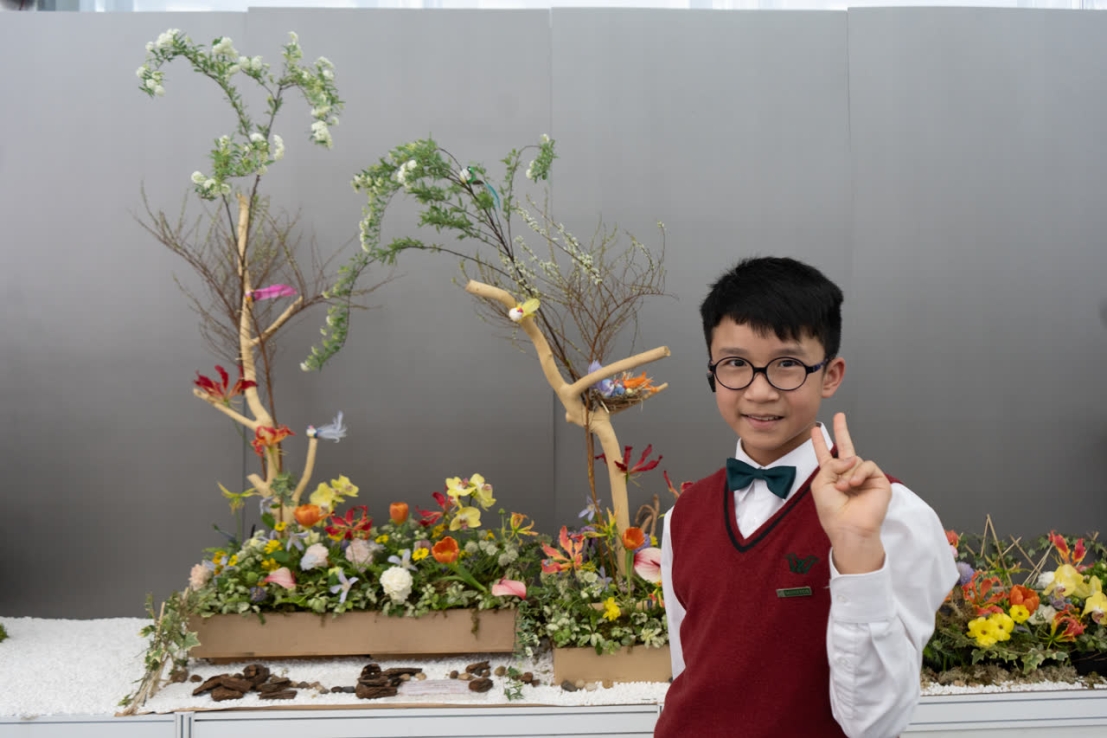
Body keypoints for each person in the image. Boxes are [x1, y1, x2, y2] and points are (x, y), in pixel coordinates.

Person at [655, 256, 957, 738]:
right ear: (712, 371)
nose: (759, 391)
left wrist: (857, 552)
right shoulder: (682, 516)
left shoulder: (896, 516)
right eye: (735, 364)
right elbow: (687, 666)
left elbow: (874, 723)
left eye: (787, 365)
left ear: (830, 375)